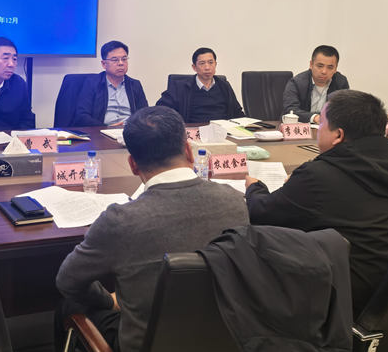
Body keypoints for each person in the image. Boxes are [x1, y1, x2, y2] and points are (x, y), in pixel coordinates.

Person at [55, 106, 249, 351]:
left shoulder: (120, 220)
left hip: (145, 345)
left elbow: (68, 281)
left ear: (133, 164)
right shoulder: (235, 202)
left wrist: (109, 301)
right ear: (189, 151)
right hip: (223, 341)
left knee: (70, 306)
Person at [245, 90, 388, 317]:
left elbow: (260, 214)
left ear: (338, 135)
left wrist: (254, 188)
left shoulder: (318, 177)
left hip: (341, 304)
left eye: (321, 124)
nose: (318, 129)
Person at [155, 47, 244, 123]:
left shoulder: (224, 86)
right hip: (193, 132)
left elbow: (237, 112)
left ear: (215, 64)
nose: (207, 67)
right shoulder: (180, 87)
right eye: (202, 63)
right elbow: (161, 110)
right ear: (194, 67)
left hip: (222, 132)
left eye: (211, 62)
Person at [74, 40, 148, 126]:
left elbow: (144, 114)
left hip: (129, 130)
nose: (121, 63)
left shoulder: (135, 85)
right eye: (115, 60)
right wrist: (105, 127)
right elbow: (82, 116)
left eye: (124, 59)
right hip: (101, 130)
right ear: (104, 64)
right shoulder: (92, 83)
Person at [283, 45, 349, 123]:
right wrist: (315, 118)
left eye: (330, 67)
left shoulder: (341, 82)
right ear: (311, 65)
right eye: (320, 66)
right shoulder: (297, 82)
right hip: (302, 127)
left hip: (328, 128)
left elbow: (345, 110)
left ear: (335, 69)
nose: (324, 71)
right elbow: (290, 110)